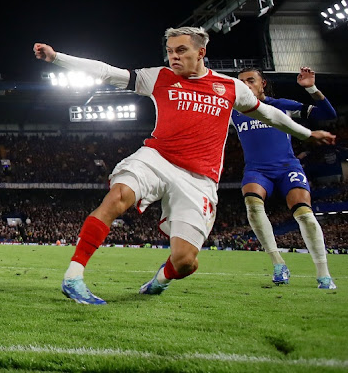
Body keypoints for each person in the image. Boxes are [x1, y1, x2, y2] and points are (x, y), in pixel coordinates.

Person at [33, 27, 337, 305]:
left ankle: (160, 280)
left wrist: (308, 134)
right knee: (118, 196)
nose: (173, 57)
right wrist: (57, 57)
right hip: (157, 158)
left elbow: (271, 115)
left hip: (200, 179)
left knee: (185, 262)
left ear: (200, 52)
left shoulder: (230, 88)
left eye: (181, 51)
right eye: (170, 51)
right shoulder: (159, 77)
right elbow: (106, 72)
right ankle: (74, 276)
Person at [232, 67, 337, 289]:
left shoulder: (281, 105)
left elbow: (327, 115)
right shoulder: (233, 111)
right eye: (241, 82)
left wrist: (311, 89)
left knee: (305, 215)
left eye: (251, 80)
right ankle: (278, 264)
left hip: (287, 166)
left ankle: (323, 274)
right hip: (256, 170)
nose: (245, 85)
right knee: (252, 204)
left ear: (263, 84)